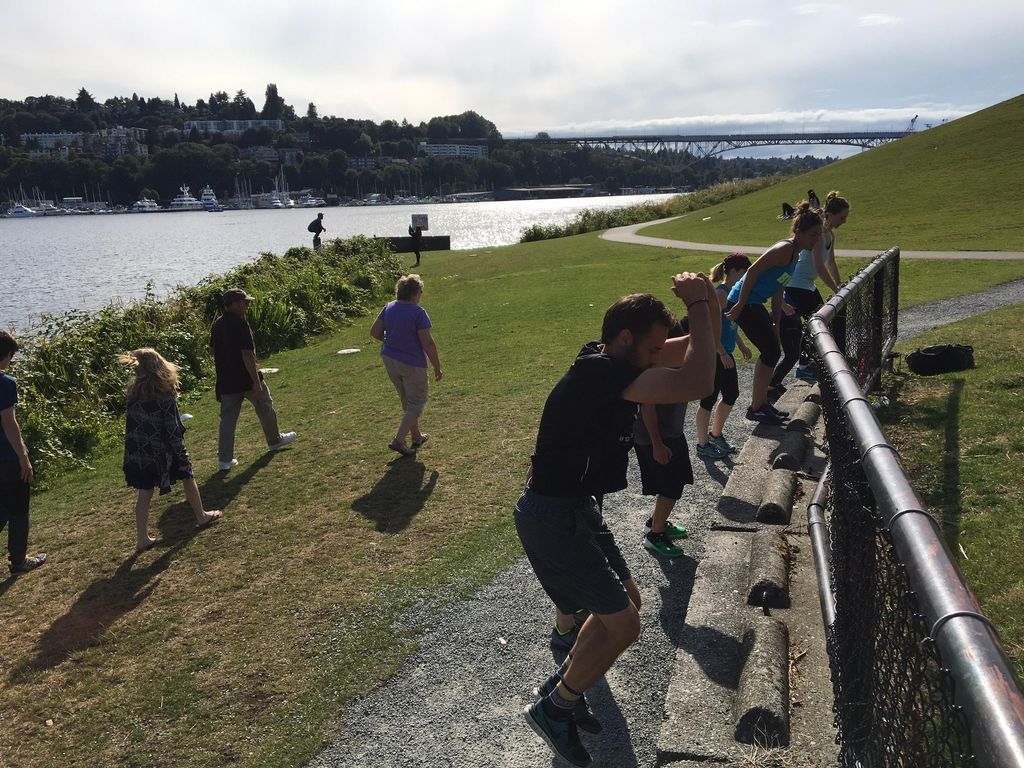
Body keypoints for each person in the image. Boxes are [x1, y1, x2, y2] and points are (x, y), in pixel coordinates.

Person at [517, 276, 718, 767]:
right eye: (650, 347)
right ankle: (555, 707)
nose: (657, 355)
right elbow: (697, 380)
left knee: (626, 605)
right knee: (625, 625)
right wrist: (695, 301)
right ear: (626, 339)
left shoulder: (609, 358)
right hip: (551, 517)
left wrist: (709, 300)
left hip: (576, 508)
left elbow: (691, 348)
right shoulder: (601, 373)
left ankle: (563, 686)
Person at [725, 203, 823, 426]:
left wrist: (776, 324)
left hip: (754, 302)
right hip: (744, 300)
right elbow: (752, 271)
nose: (816, 239)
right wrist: (740, 303)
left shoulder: (795, 255)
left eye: (819, 234)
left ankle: (760, 405)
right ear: (798, 232)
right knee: (771, 351)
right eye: (813, 234)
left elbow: (779, 290)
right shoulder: (784, 249)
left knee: (772, 349)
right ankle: (757, 407)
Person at [121, 348, 222, 553]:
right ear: (160, 366)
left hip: (141, 453)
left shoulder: (133, 395)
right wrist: (182, 455)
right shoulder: (165, 394)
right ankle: (201, 516)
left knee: (145, 491)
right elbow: (172, 429)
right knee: (188, 476)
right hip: (164, 452)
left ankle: (142, 538)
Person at [769, 191, 850, 395]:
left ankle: (800, 367)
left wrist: (840, 283)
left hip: (807, 285)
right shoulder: (819, 234)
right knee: (819, 321)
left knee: (821, 320)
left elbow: (830, 262)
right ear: (830, 215)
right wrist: (835, 290)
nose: (844, 221)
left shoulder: (830, 234)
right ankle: (805, 366)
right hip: (797, 285)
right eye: (842, 217)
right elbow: (818, 266)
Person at [210, 287, 297, 471]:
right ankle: (274, 440)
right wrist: (256, 382)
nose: (247, 305)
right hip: (246, 379)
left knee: (227, 420)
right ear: (232, 304)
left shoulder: (217, 325)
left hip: (226, 381)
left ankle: (225, 460)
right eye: (244, 302)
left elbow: (215, 353)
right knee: (264, 405)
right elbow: (248, 354)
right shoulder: (240, 324)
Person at [633, 321, 693, 558]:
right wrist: (657, 444)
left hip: (671, 433)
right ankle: (654, 536)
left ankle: (655, 521)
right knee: (671, 486)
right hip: (657, 437)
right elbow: (647, 408)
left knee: (676, 481)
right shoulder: (656, 370)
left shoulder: (677, 365)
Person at [370, 274, 442, 457]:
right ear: (415, 293)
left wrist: (392, 343)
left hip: (390, 359)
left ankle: (416, 436)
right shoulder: (418, 313)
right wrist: (436, 366)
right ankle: (399, 440)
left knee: (406, 398)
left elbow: (375, 332)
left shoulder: (389, 307)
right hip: (412, 363)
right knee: (417, 402)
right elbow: (428, 343)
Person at [695, 253, 753, 459]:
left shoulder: (734, 293)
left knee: (731, 394)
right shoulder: (721, 293)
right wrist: (721, 352)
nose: (747, 279)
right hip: (715, 353)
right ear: (735, 272)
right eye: (745, 274)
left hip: (726, 352)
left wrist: (742, 345)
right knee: (708, 400)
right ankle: (702, 445)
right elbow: (709, 326)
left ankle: (715, 435)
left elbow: (729, 324)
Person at [0, 330, 47, 576]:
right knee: (18, 509)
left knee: (3, 508)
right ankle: (18, 561)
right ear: (5, 356)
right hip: (7, 457)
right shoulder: (5, 384)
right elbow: (9, 423)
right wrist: (24, 457)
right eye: (10, 356)